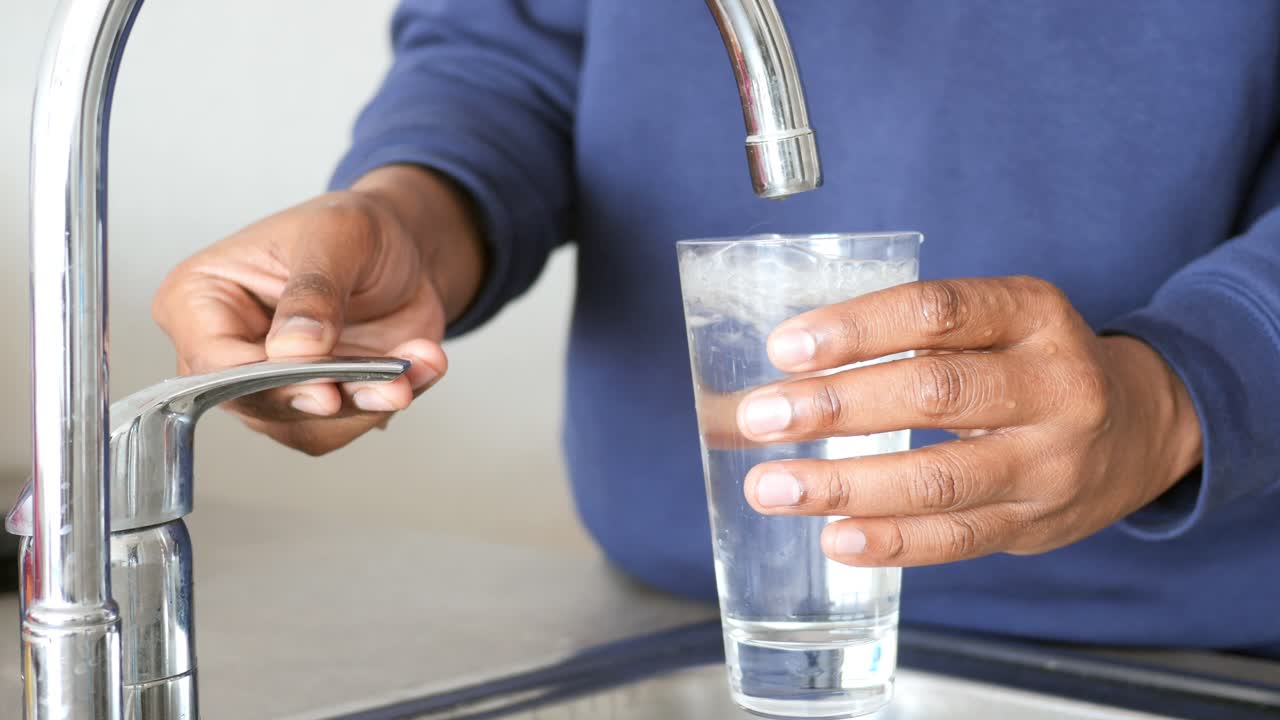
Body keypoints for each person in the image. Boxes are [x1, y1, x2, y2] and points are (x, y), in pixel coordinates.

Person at [152, 2, 1280, 656]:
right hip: (677, 624)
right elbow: (521, 41)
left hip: (1200, 650)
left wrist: (1184, 389)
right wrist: (413, 211)